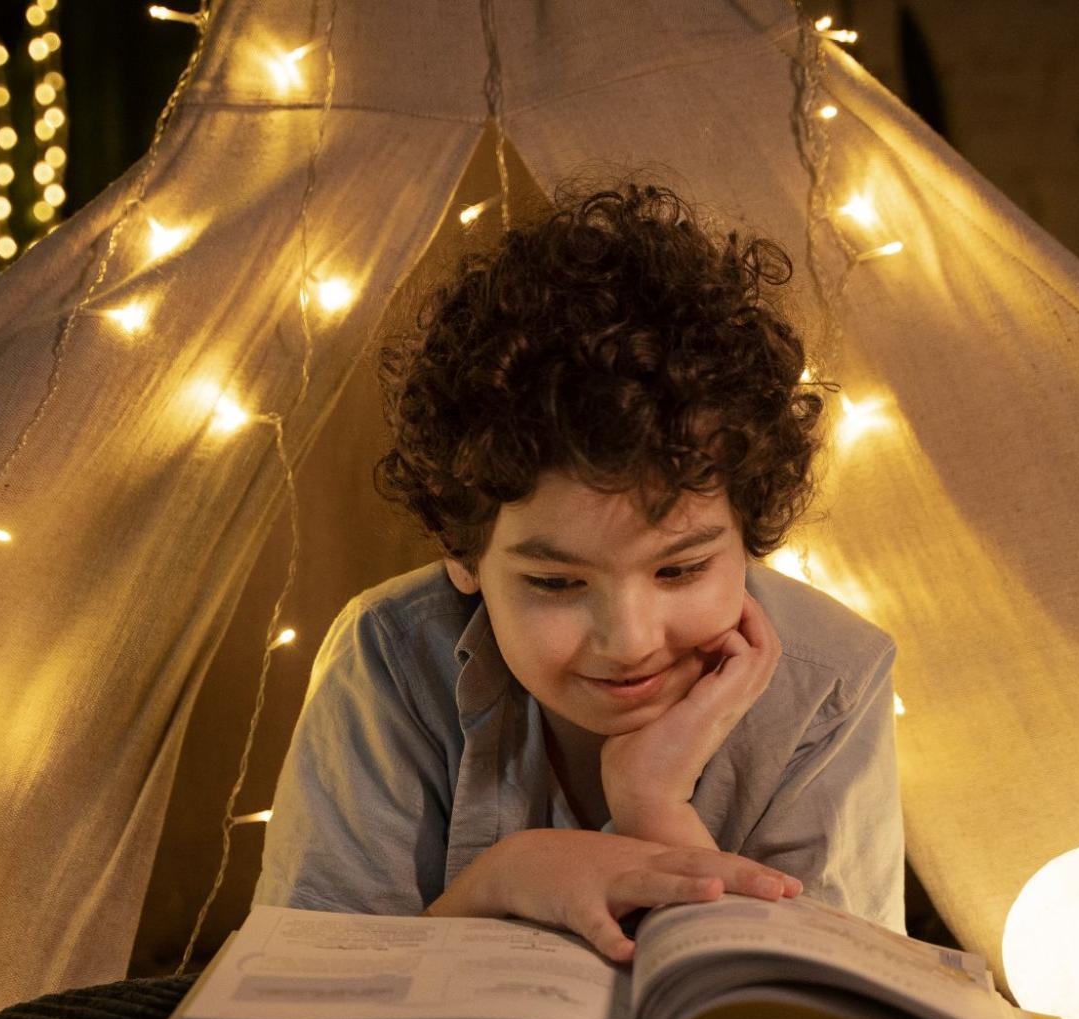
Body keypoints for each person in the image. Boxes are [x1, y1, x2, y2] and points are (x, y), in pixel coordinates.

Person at [252, 180, 903, 961]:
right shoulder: (389, 657)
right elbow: (306, 1001)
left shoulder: (833, 683)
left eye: (681, 570)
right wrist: (499, 882)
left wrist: (653, 805)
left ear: (747, 534)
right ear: (462, 553)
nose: (628, 642)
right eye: (556, 583)